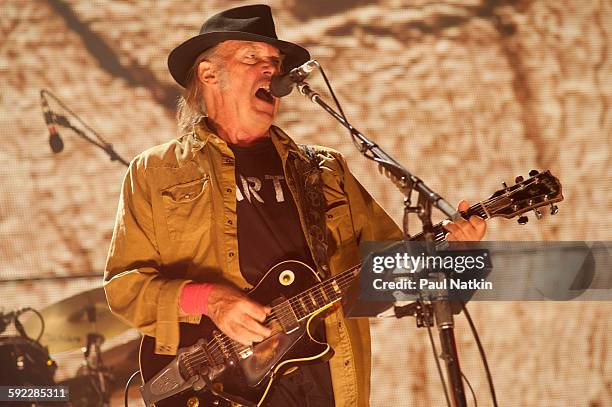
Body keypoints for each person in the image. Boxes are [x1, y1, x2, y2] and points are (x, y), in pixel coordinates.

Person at [103, 4, 486, 407]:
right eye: (252, 57)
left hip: (328, 383)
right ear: (209, 74)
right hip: (221, 385)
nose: (270, 69)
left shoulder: (323, 169)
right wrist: (211, 301)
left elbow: (384, 278)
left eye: (275, 62)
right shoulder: (155, 171)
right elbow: (126, 289)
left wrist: (460, 255)